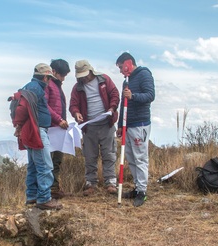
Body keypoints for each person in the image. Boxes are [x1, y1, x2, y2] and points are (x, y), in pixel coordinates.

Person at [10, 63, 63, 210]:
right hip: (37, 131)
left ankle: (32, 196)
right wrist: (19, 124)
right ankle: (44, 198)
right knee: (45, 165)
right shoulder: (35, 88)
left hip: (32, 130)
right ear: (45, 77)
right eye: (49, 78)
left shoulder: (30, 87)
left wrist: (19, 126)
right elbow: (22, 109)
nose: (50, 81)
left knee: (33, 165)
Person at [69, 59, 120, 196]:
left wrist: (112, 108)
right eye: (80, 76)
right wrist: (76, 113)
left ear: (91, 71)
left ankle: (110, 182)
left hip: (106, 123)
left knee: (108, 153)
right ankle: (91, 183)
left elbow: (115, 94)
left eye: (85, 75)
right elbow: (73, 104)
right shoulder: (77, 88)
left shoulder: (104, 80)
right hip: (89, 126)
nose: (84, 78)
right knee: (90, 155)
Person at [115, 52, 155, 207]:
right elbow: (122, 103)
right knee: (131, 158)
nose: (120, 71)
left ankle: (142, 191)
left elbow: (150, 95)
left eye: (120, 67)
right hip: (127, 124)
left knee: (140, 158)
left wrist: (133, 96)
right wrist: (119, 125)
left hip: (140, 123)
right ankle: (137, 188)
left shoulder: (144, 74)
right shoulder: (126, 80)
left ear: (127, 63)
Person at [45, 59, 70, 199]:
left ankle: (54, 188)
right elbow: (45, 105)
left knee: (57, 160)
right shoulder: (48, 84)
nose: (64, 78)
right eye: (62, 75)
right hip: (51, 129)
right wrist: (58, 119)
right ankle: (48, 190)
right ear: (54, 72)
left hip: (59, 129)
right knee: (50, 160)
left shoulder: (57, 86)